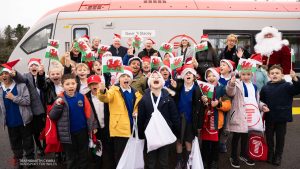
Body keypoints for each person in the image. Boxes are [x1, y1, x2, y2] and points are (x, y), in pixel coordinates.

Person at [97, 66, 142, 166]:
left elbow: (138, 107)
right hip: (119, 129)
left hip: (133, 128)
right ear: (119, 79)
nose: (126, 78)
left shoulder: (136, 93)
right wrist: (103, 90)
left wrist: (137, 112)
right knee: (120, 155)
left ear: (131, 79)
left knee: (131, 155)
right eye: (123, 76)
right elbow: (105, 98)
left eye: (128, 76)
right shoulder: (114, 90)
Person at [49, 74, 97, 169]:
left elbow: (89, 113)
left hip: (82, 131)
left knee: (83, 153)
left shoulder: (82, 97)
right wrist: (57, 106)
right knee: (71, 156)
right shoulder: (59, 98)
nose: (71, 86)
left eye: (73, 83)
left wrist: (93, 127)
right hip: (67, 134)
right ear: (62, 86)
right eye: (67, 84)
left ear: (76, 84)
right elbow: (52, 116)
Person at [226, 62, 268, 168]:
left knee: (246, 136)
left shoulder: (254, 86)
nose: (246, 76)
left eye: (248, 74)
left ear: (252, 75)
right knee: (236, 136)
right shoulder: (237, 84)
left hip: (250, 115)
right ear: (240, 74)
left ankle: (243, 154)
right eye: (243, 74)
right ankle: (233, 156)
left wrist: (262, 106)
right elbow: (230, 92)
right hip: (239, 115)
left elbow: (256, 100)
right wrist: (231, 83)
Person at [138, 71, 180, 169]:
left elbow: (174, 117)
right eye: (153, 77)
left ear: (163, 82)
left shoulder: (169, 98)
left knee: (164, 161)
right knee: (150, 161)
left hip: (164, 134)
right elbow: (141, 118)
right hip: (150, 134)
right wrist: (141, 135)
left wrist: (176, 132)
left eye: (158, 77)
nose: (156, 78)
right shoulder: (144, 99)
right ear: (149, 82)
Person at [260, 65, 300, 166]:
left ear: (282, 75)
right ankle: (270, 154)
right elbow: (261, 100)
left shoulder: (287, 86)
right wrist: (263, 106)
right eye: (272, 73)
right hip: (269, 117)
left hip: (282, 118)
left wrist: (294, 78)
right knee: (269, 138)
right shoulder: (265, 88)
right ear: (269, 75)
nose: (274, 75)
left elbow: (297, 89)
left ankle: (278, 156)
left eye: (277, 73)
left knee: (280, 138)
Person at [0, 59, 35, 169]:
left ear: (11, 75)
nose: (4, 76)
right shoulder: (0, 89)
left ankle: (30, 161)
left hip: (24, 121)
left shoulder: (21, 86)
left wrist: (13, 98)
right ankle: (19, 161)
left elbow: (27, 101)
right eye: (1, 74)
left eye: (6, 73)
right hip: (10, 123)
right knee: (15, 143)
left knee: (28, 142)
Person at [170, 64, 204, 169]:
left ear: (194, 76)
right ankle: (180, 161)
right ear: (183, 76)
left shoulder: (198, 90)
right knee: (179, 141)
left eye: (190, 73)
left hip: (191, 120)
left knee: (188, 141)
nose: (188, 75)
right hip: (179, 119)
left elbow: (201, 109)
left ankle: (189, 161)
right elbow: (173, 98)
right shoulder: (179, 87)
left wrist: (199, 124)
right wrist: (174, 88)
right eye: (186, 73)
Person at [12, 58, 46, 157]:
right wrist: (15, 74)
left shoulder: (44, 75)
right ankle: (39, 147)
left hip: (46, 108)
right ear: (28, 67)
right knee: (36, 131)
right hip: (34, 110)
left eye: (36, 65)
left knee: (45, 129)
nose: (33, 67)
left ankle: (45, 146)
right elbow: (21, 79)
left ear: (39, 66)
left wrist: (42, 74)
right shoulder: (25, 76)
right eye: (31, 65)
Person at [201, 67, 231, 169]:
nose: (211, 77)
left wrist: (218, 103)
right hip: (206, 121)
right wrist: (203, 101)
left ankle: (214, 161)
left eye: (213, 75)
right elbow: (198, 104)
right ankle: (204, 160)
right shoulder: (203, 88)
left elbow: (228, 104)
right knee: (205, 143)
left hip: (218, 121)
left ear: (218, 77)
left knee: (215, 144)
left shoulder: (222, 88)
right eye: (208, 76)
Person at [85, 75, 112, 169]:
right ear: (88, 86)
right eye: (91, 84)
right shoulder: (86, 97)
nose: (94, 86)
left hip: (108, 127)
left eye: (96, 83)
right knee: (97, 152)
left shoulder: (108, 94)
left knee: (109, 150)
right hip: (96, 129)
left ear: (100, 84)